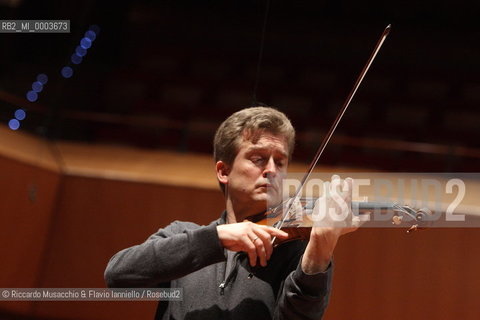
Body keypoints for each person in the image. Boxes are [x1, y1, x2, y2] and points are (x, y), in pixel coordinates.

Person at [104, 106, 358, 319]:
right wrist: (216, 239)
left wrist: (320, 250)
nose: (272, 170)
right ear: (223, 171)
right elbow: (118, 275)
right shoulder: (183, 234)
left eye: (280, 162)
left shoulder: (296, 252)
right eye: (258, 158)